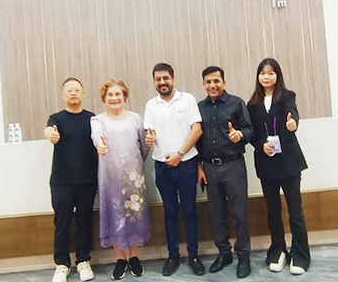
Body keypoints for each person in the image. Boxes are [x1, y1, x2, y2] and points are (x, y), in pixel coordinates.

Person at [246, 58, 311, 275]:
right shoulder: (252, 104)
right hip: (267, 163)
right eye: (262, 73)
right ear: (258, 76)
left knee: (295, 211)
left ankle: (300, 255)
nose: (266, 77)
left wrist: (294, 123)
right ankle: (278, 250)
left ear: (277, 75)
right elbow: (252, 132)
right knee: (273, 211)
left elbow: (293, 113)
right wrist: (261, 145)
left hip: (289, 162)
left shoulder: (287, 96)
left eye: (271, 73)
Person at [143, 63, 205, 277]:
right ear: (154, 82)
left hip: (187, 164)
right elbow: (150, 133)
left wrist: (180, 154)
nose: (162, 82)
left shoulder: (187, 99)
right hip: (162, 167)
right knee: (169, 212)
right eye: (158, 79)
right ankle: (173, 256)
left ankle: (194, 256)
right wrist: (149, 139)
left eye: (166, 78)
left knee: (189, 210)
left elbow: (197, 130)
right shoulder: (151, 105)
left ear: (173, 79)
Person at [196, 66, 255, 279]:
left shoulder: (236, 103)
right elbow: (196, 138)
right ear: (204, 84)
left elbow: (250, 129)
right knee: (216, 213)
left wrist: (240, 135)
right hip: (210, 168)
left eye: (216, 81)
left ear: (224, 82)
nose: (212, 85)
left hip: (233, 165)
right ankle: (224, 253)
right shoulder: (199, 108)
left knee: (239, 213)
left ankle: (244, 256)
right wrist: (199, 167)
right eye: (208, 82)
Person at [90, 79, 151, 280]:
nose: (114, 98)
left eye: (118, 94)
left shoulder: (136, 118)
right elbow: (97, 136)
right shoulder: (98, 120)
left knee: (135, 214)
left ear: (124, 97)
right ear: (104, 98)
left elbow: (144, 145)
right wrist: (100, 145)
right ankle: (120, 259)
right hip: (110, 178)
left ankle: (134, 256)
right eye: (110, 95)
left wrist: (135, 165)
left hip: (134, 177)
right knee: (114, 213)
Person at [44, 78, 97, 282]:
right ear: (62, 95)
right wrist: (50, 134)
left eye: (77, 90)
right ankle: (62, 264)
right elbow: (49, 129)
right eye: (69, 90)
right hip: (61, 181)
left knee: (85, 221)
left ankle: (83, 261)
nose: (73, 93)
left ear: (83, 93)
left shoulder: (92, 119)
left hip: (87, 180)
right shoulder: (56, 118)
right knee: (62, 223)